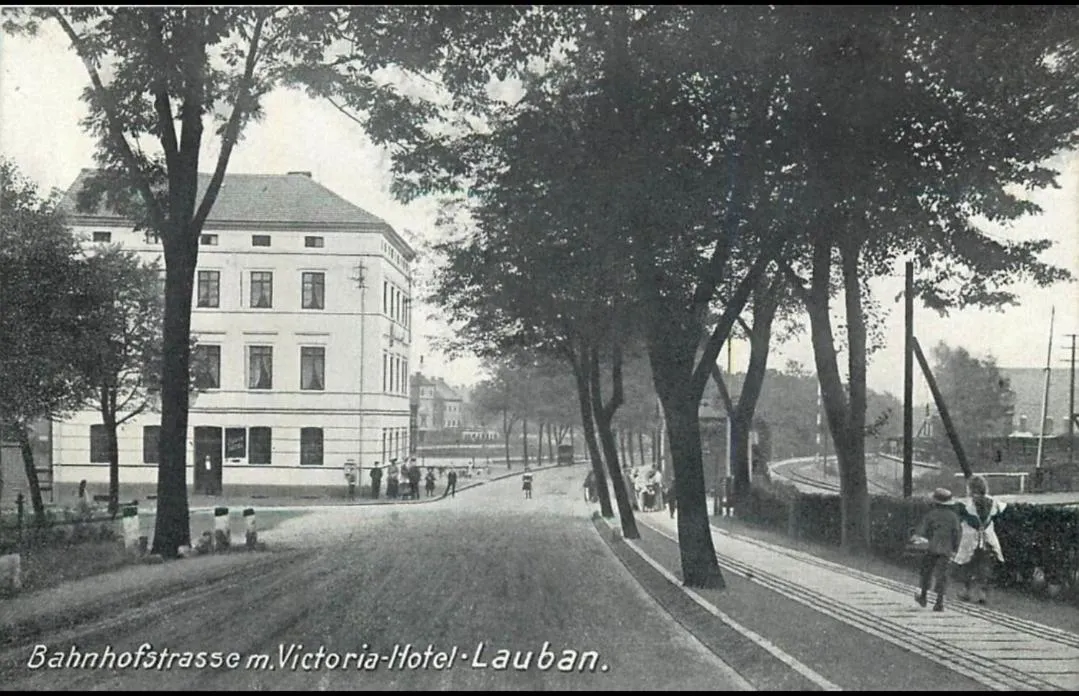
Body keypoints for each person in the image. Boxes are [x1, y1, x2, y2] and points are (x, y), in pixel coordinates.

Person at [953, 475, 1007, 605]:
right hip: (988, 538)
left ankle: (966, 591)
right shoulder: (994, 503)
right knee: (985, 565)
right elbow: (999, 514)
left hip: (970, 538)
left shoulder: (965, 504)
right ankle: (983, 593)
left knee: (967, 564)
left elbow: (961, 518)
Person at [912, 487, 962, 612]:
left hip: (931, 548)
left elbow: (922, 531)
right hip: (946, 549)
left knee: (926, 572)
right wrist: (955, 548)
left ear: (935, 502)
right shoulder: (953, 517)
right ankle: (939, 603)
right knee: (942, 575)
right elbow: (957, 533)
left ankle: (923, 596)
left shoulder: (931, 515)